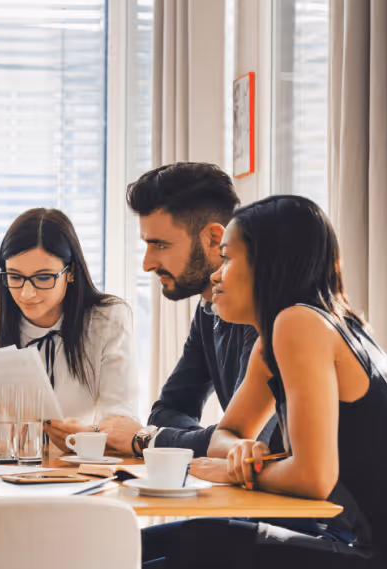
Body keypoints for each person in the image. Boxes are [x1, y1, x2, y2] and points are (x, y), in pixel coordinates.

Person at [144, 195, 387, 569]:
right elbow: (229, 431)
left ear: (268, 264)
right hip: (372, 548)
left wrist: (237, 471)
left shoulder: (299, 323)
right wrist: (240, 450)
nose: (215, 274)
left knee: (188, 554)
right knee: (173, 540)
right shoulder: (278, 334)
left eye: (227, 258)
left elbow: (313, 478)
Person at [97, 162, 277, 457]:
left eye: (161, 245)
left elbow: (259, 443)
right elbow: (168, 410)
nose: (147, 263)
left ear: (214, 239)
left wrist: (147, 440)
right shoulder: (209, 309)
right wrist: (205, 441)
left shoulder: (268, 313)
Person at [0, 207, 137, 450]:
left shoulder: (107, 321)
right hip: (2, 476)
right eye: (15, 277)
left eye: (43, 278)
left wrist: (89, 434)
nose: (27, 293)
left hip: (79, 470)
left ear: (71, 273)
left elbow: (122, 415)